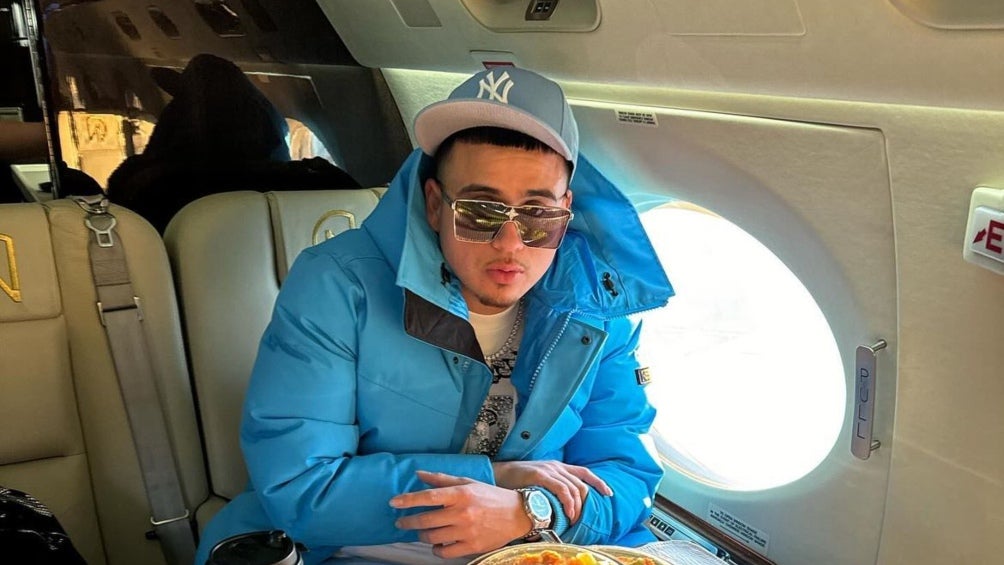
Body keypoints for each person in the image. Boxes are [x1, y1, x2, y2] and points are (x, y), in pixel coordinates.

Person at [196, 67, 674, 565]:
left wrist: (531, 510)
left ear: (565, 210)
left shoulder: (597, 309)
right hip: (350, 549)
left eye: (537, 215)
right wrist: (495, 478)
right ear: (434, 204)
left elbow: (626, 471)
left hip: (529, 544)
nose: (510, 244)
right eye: (481, 212)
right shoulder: (335, 286)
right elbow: (301, 485)